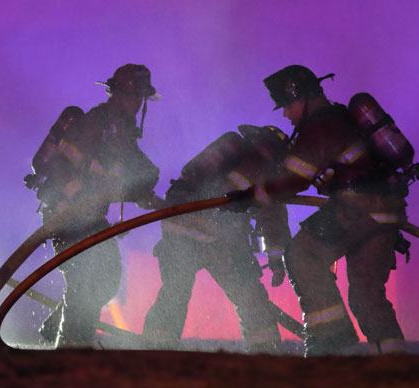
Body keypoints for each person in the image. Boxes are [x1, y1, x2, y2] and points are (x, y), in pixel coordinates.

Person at [228, 65, 410, 356]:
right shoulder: (343, 120)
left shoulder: (320, 126)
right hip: (387, 211)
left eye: (287, 106)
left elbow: (293, 179)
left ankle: (331, 340)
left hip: (357, 208)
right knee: (366, 295)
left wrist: (250, 196)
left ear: (300, 97)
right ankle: (395, 363)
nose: (286, 114)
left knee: (301, 254)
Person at [26, 64, 163, 348]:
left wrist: (147, 191)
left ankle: (58, 329)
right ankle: (72, 349)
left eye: (141, 98)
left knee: (107, 279)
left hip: (91, 217)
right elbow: (61, 165)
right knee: (83, 280)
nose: (138, 103)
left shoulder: (123, 134)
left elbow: (134, 172)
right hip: (65, 213)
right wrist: (76, 198)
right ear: (116, 95)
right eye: (134, 96)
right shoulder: (94, 123)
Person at [142, 125, 291, 354]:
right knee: (248, 293)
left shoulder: (233, 149)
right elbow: (269, 214)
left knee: (175, 290)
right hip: (216, 230)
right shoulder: (259, 165)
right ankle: (266, 352)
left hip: (180, 220)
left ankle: (155, 349)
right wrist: (275, 258)